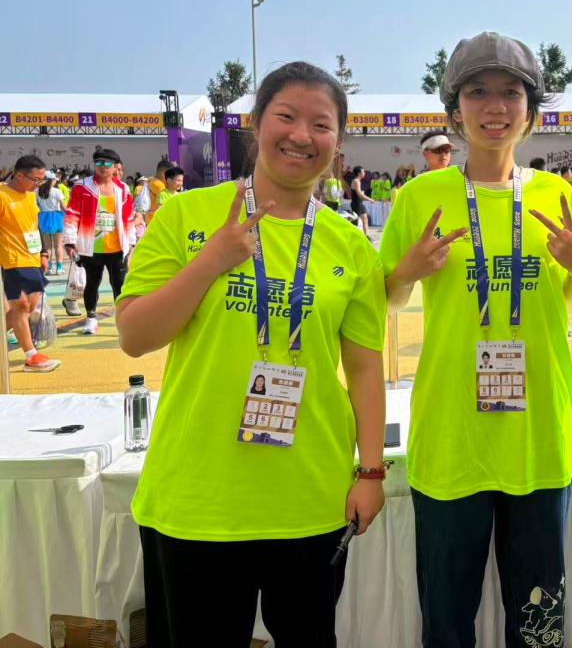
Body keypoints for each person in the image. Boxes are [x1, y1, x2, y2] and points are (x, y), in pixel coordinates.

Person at [115, 61, 387, 647]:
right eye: (286, 116)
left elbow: (365, 367)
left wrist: (370, 472)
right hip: (198, 499)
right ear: (256, 123)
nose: (301, 136)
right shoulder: (187, 215)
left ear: (338, 141)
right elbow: (135, 335)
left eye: (322, 125)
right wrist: (212, 260)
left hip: (310, 497)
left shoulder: (350, 246)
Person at [380, 31, 572, 648]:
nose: (495, 107)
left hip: (537, 434)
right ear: (454, 110)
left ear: (531, 110)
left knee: (538, 619)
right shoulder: (420, 197)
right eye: (477, 92)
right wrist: (405, 272)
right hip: (452, 437)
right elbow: (384, 301)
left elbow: (568, 302)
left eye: (511, 93)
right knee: (447, 619)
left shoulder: (555, 195)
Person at [64, 148, 136, 335]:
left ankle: (122, 319)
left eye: (107, 163)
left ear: (116, 167)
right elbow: (72, 214)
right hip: (91, 246)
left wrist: (131, 242)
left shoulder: (123, 189)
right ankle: (91, 318)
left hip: (117, 247)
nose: (103, 166)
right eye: (99, 162)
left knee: (120, 284)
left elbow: (129, 218)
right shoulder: (82, 187)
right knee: (92, 283)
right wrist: (70, 242)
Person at [1, 155, 61, 372]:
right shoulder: (2, 195)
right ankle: (31, 356)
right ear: (19, 175)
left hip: (32, 257)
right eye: (35, 179)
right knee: (22, 306)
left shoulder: (30, 196)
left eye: (41, 180)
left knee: (31, 306)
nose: (39, 184)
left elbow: (34, 226)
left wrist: (44, 252)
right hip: (12, 259)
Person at [37, 171, 67, 275]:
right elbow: (63, 207)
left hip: (43, 218)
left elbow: (36, 205)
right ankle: (59, 268)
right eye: (54, 179)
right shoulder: (57, 191)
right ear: (50, 181)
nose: (55, 181)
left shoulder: (38, 191)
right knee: (58, 245)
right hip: (56, 217)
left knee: (47, 247)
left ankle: (49, 268)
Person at [145, 159, 174, 223]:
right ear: (164, 172)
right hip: (155, 220)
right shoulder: (159, 186)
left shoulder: (151, 180)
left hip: (150, 218)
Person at [348, 165, 374, 235]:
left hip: (360, 204)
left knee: (365, 220)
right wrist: (369, 199)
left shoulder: (358, 181)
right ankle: (352, 236)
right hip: (356, 204)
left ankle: (366, 236)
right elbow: (359, 194)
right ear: (359, 173)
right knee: (355, 223)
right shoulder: (356, 181)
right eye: (363, 172)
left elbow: (358, 193)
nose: (364, 173)